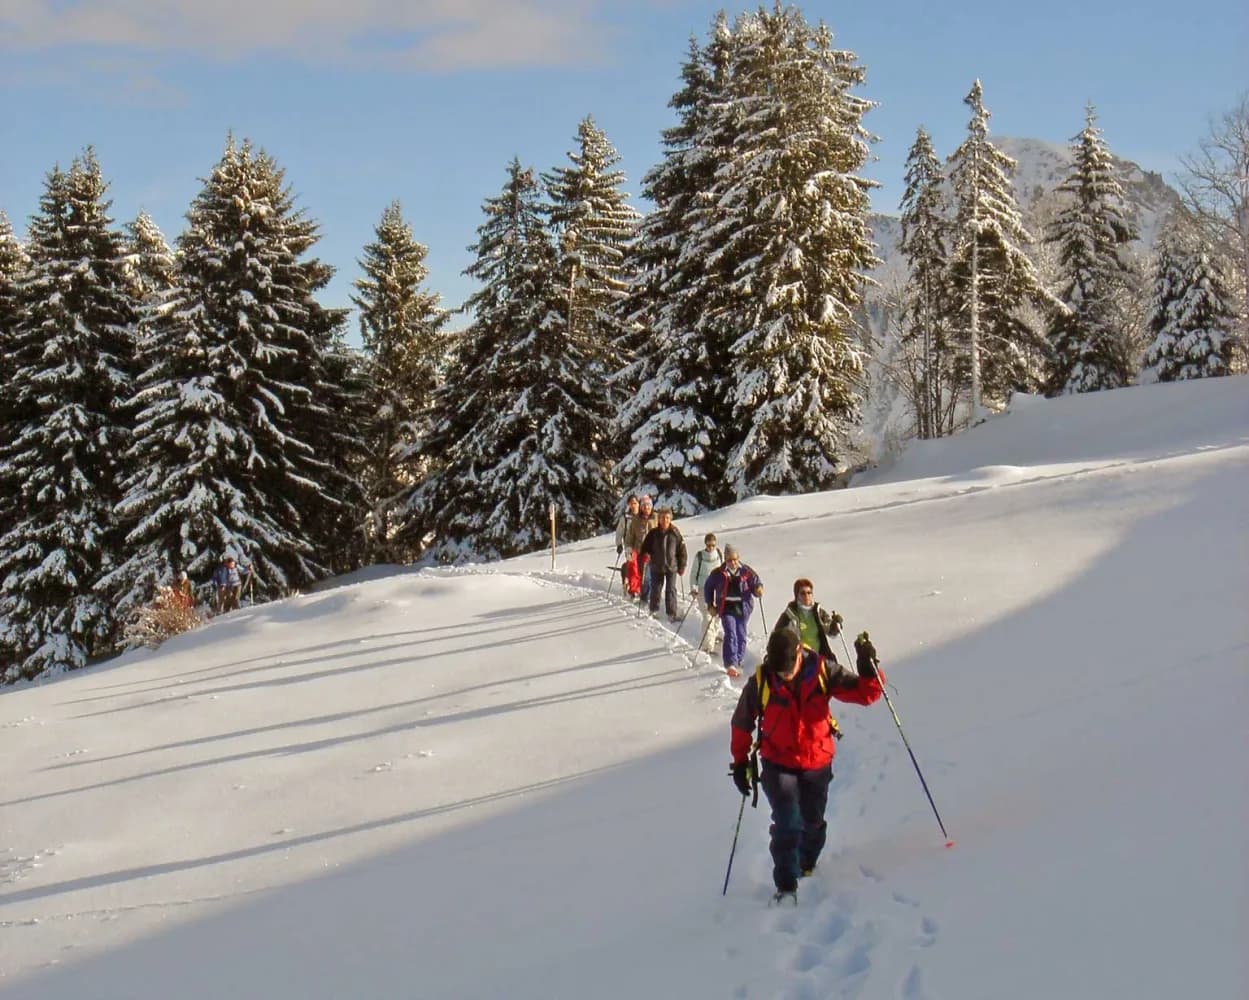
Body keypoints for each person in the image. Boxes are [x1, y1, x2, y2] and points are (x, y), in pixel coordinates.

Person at [729, 628, 884, 903]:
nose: (785, 676)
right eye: (781, 673)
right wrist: (740, 763)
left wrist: (869, 669)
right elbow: (742, 722)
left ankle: (806, 864)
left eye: (788, 670)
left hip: (817, 761)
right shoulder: (763, 681)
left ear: (799, 654)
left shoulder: (823, 671)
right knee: (787, 820)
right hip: (778, 763)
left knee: (812, 822)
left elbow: (867, 694)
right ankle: (786, 885)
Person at [702, 544, 762, 677]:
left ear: (738, 558)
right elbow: (708, 587)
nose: (732, 563)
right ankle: (731, 663)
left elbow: (756, 582)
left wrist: (758, 589)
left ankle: (738, 659)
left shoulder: (746, 571)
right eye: (729, 560)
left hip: (743, 607)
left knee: (741, 634)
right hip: (726, 607)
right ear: (725, 560)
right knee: (730, 632)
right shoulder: (718, 573)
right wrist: (710, 604)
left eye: (734, 559)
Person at [773, 578, 844, 658]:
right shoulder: (790, 614)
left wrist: (835, 625)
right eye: (802, 593)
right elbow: (777, 636)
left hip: (819, 657)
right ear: (797, 596)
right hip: (799, 659)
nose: (806, 596)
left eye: (809, 593)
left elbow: (830, 631)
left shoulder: (818, 612)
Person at [640, 507, 687, 620]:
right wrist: (646, 554)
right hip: (656, 566)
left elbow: (682, 550)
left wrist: (682, 566)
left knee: (671, 590)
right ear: (659, 519)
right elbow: (645, 548)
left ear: (670, 519)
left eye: (667, 518)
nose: (665, 520)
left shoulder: (675, 533)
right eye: (662, 518)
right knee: (656, 589)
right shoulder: (653, 533)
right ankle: (653, 610)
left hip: (672, 566)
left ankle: (671, 613)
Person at [689, 532, 723, 651]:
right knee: (708, 616)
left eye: (713, 545)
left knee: (718, 614)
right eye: (709, 545)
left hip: (717, 588)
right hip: (703, 589)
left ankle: (713, 635)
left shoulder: (718, 554)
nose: (711, 548)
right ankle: (707, 646)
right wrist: (694, 588)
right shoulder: (700, 556)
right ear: (705, 544)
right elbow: (693, 574)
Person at [624, 495, 658, 603]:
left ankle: (649, 597)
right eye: (644, 506)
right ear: (641, 507)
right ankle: (644, 597)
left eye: (648, 505)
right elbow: (630, 537)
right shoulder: (636, 520)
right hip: (640, 552)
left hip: (655, 553)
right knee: (644, 576)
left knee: (652, 577)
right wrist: (628, 549)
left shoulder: (656, 517)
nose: (646, 508)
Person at [614, 495, 640, 592]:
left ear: (638, 503)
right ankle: (632, 590)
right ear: (628, 504)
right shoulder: (625, 518)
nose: (633, 505)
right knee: (632, 567)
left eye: (635, 503)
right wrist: (619, 544)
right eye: (631, 503)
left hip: (641, 546)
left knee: (639, 567)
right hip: (629, 546)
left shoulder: (642, 516)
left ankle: (637, 587)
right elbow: (619, 532)